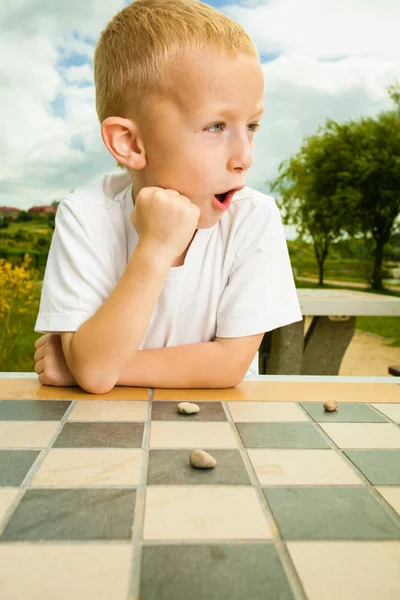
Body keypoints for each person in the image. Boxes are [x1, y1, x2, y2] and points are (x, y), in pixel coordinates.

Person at [33, 0, 302, 394]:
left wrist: (81, 365)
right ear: (130, 143)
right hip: (106, 434)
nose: (245, 157)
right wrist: (156, 248)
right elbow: (96, 372)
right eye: (215, 126)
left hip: (220, 431)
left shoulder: (254, 217)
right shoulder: (85, 215)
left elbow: (229, 365)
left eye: (252, 126)